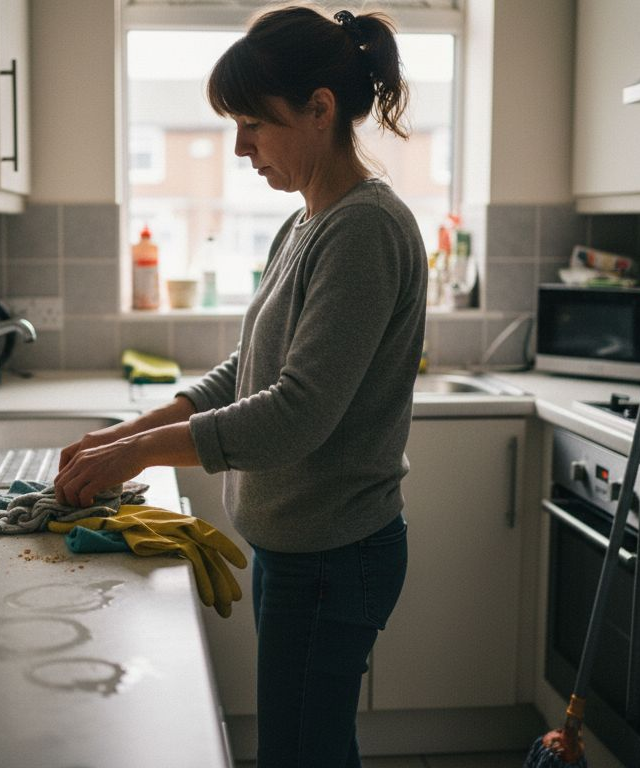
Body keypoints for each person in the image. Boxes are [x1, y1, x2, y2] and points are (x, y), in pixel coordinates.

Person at [54, 5, 426, 765]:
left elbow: (297, 414)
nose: (239, 147)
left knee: (302, 751)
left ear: (319, 109)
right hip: (302, 548)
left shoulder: (364, 231)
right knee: (303, 745)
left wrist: (140, 456)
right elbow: (243, 373)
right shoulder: (305, 225)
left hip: (335, 554)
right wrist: (127, 435)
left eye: (252, 122)